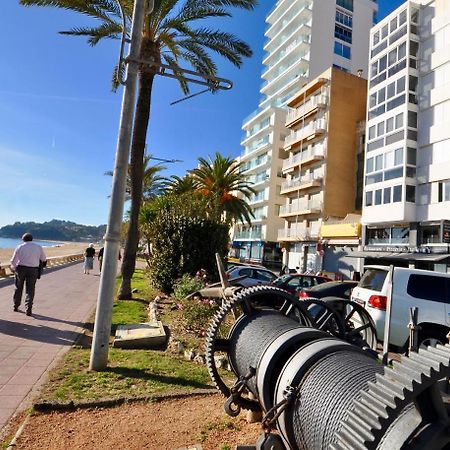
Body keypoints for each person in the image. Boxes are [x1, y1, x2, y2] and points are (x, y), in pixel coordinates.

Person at [10, 233, 47, 316]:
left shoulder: (19, 247)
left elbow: (13, 261)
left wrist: (14, 268)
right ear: (32, 239)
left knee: (18, 287)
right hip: (33, 270)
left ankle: (16, 305)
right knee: (30, 289)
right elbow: (44, 258)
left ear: (23, 239)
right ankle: (28, 308)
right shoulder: (38, 247)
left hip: (21, 269)